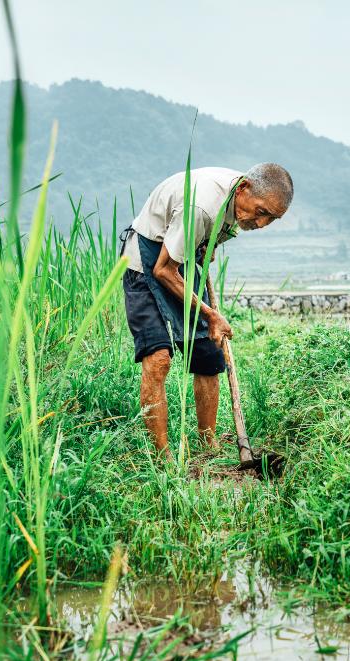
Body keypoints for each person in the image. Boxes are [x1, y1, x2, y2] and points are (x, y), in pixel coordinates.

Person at [120, 164, 293, 460]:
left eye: (271, 219)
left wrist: (204, 246)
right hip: (146, 263)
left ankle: (207, 449)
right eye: (261, 211)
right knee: (158, 358)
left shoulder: (238, 204)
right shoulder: (202, 207)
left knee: (209, 355)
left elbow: (197, 246)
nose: (262, 223)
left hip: (178, 261)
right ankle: (163, 459)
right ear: (243, 189)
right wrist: (211, 314)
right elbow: (162, 270)